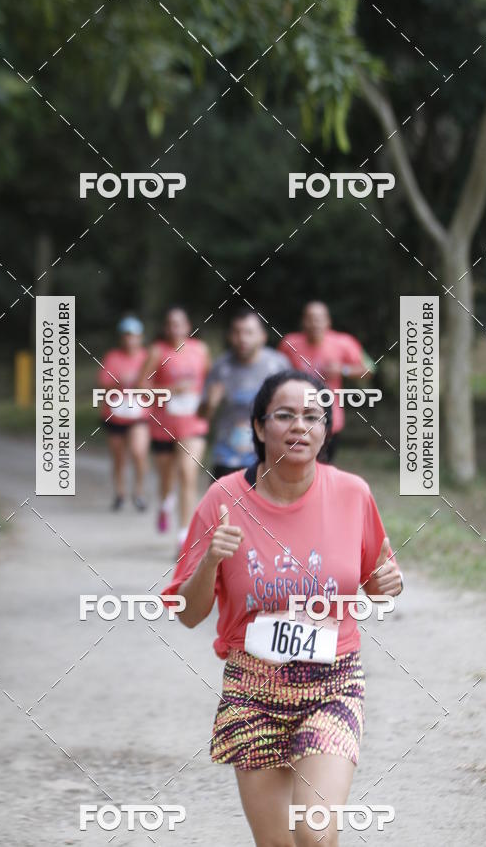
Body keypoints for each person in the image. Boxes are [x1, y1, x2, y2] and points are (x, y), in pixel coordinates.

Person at [161, 370, 402, 847]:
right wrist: (210, 561)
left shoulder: (352, 493)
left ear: (326, 429)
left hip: (332, 683)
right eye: (285, 415)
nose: (299, 426)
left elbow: (378, 578)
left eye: (312, 417)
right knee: (276, 843)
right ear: (258, 426)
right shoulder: (222, 499)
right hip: (252, 687)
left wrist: (388, 584)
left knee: (315, 831)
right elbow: (187, 613)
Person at [139, 307, 211, 547]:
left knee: (187, 475)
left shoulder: (200, 350)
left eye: (179, 323)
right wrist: (170, 390)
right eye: (170, 324)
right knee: (166, 478)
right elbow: (141, 388)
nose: (174, 328)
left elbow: (211, 381)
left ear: (188, 326)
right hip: (163, 426)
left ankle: (184, 536)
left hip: (193, 424)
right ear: (165, 328)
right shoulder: (157, 351)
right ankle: (165, 503)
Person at [199, 308, 291, 481]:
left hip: (268, 456)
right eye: (237, 332)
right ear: (229, 336)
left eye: (249, 332)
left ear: (262, 336)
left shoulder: (278, 365)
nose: (242, 338)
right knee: (223, 499)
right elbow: (202, 415)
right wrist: (210, 404)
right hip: (227, 456)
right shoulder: (220, 367)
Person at [278, 301, 374, 460]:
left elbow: (370, 369)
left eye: (319, 319)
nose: (314, 323)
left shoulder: (343, 342)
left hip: (329, 417)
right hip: (296, 417)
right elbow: (276, 373)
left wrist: (343, 369)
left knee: (322, 466)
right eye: (310, 319)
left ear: (328, 321)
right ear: (303, 321)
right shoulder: (289, 343)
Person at [98, 315, 150, 511]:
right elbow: (103, 384)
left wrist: (140, 384)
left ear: (140, 337)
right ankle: (119, 493)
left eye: (134, 336)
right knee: (119, 457)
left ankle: (139, 492)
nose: (130, 340)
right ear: (121, 338)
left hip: (139, 415)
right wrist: (119, 382)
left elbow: (155, 383)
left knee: (139, 452)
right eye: (127, 336)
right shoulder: (113, 357)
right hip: (116, 414)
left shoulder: (146, 357)